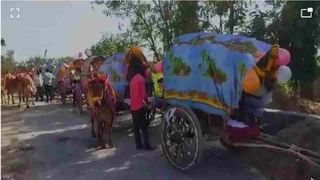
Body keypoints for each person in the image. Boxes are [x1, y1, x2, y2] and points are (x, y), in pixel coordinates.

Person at [127, 58, 154, 151]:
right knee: (144, 127)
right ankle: (147, 145)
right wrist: (147, 103)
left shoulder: (133, 80)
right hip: (140, 106)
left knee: (136, 127)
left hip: (133, 106)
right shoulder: (140, 79)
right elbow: (143, 94)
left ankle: (138, 145)